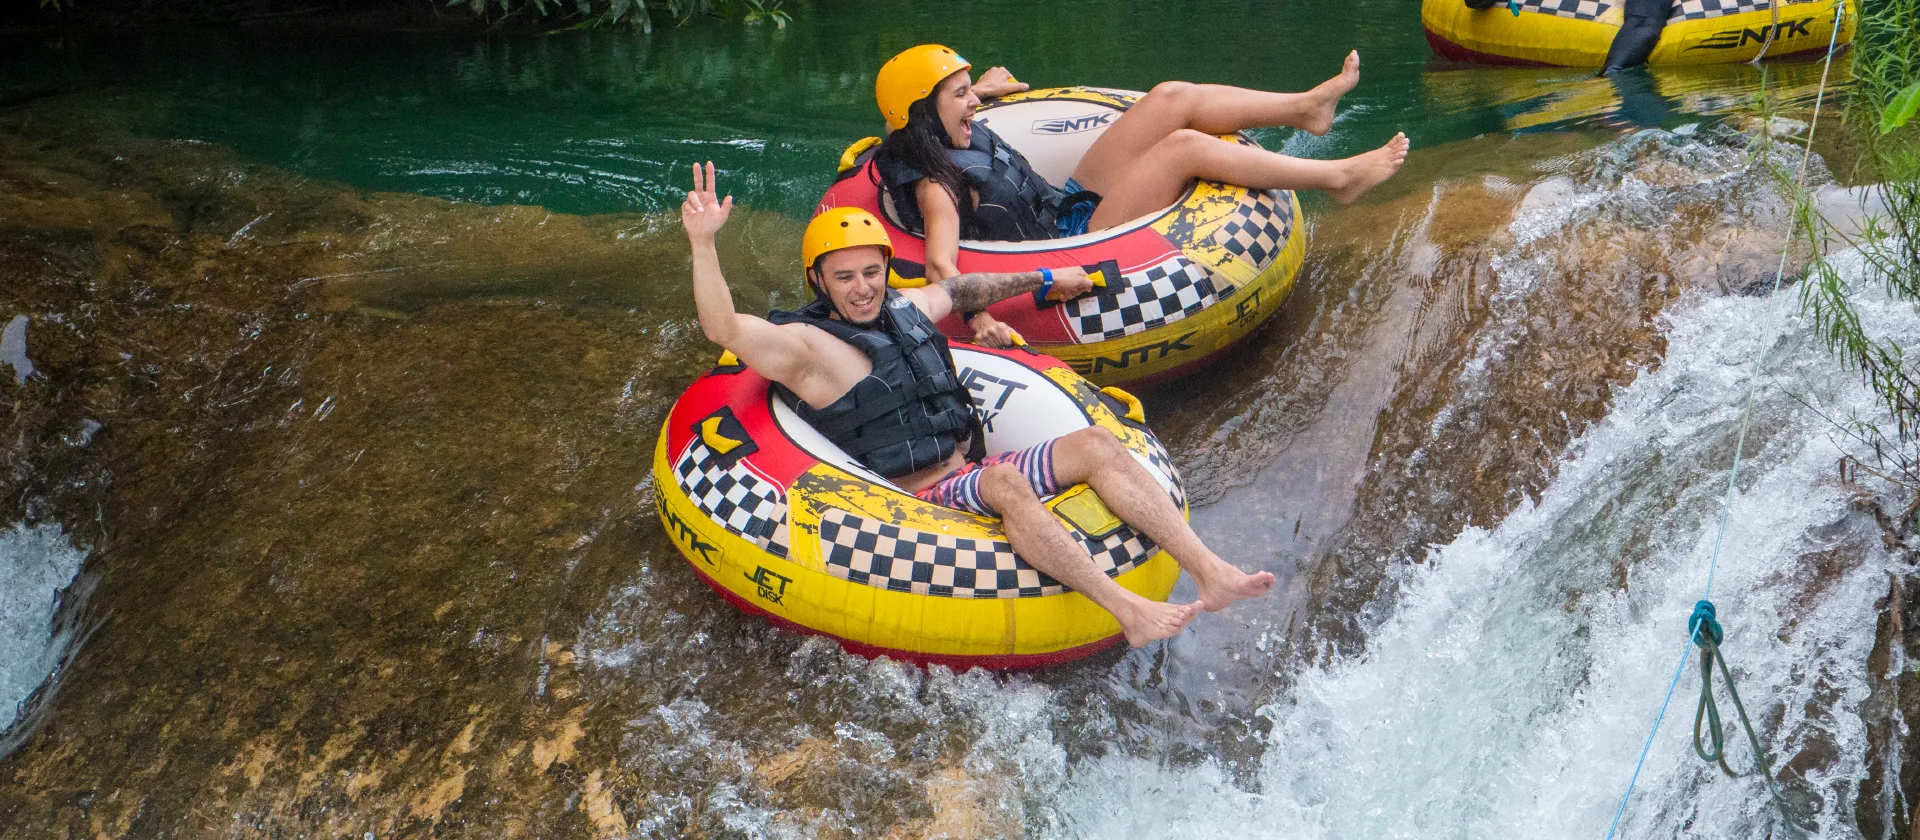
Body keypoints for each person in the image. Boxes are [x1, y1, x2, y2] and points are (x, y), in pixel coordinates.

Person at [680, 161, 1275, 646]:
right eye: (844, 278)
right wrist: (703, 242)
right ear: (818, 281)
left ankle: (1211, 572)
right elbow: (723, 327)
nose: (862, 288)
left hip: (970, 467)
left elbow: (962, 288)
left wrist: (1045, 279)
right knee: (1004, 483)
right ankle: (1128, 611)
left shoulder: (905, 309)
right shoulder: (807, 349)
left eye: (871, 272)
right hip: (915, 500)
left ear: (885, 269)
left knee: (1097, 443)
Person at [870, 45, 1410, 347]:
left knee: (1170, 97)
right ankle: (1339, 178)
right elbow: (940, 265)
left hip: (1060, 205)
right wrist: (980, 321)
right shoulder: (937, 185)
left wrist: (983, 89)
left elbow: (908, 115)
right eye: (960, 95)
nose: (974, 103)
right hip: (1073, 242)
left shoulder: (930, 130)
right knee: (1183, 149)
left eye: (970, 92)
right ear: (924, 113)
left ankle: (1305, 108)